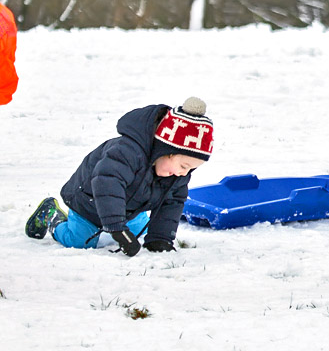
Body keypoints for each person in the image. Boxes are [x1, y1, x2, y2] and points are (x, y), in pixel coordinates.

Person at [25, 97, 213, 255]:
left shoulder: (175, 173)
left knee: (143, 232)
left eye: (190, 169)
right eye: (184, 166)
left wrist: (160, 239)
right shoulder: (127, 152)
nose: (184, 173)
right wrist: (117, 229)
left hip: (129, 210)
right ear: (167, 150)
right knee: (79, 242)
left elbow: (172, 203)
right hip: (88, 203)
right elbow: (107, 184)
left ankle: (118, 224)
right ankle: (52, 217)